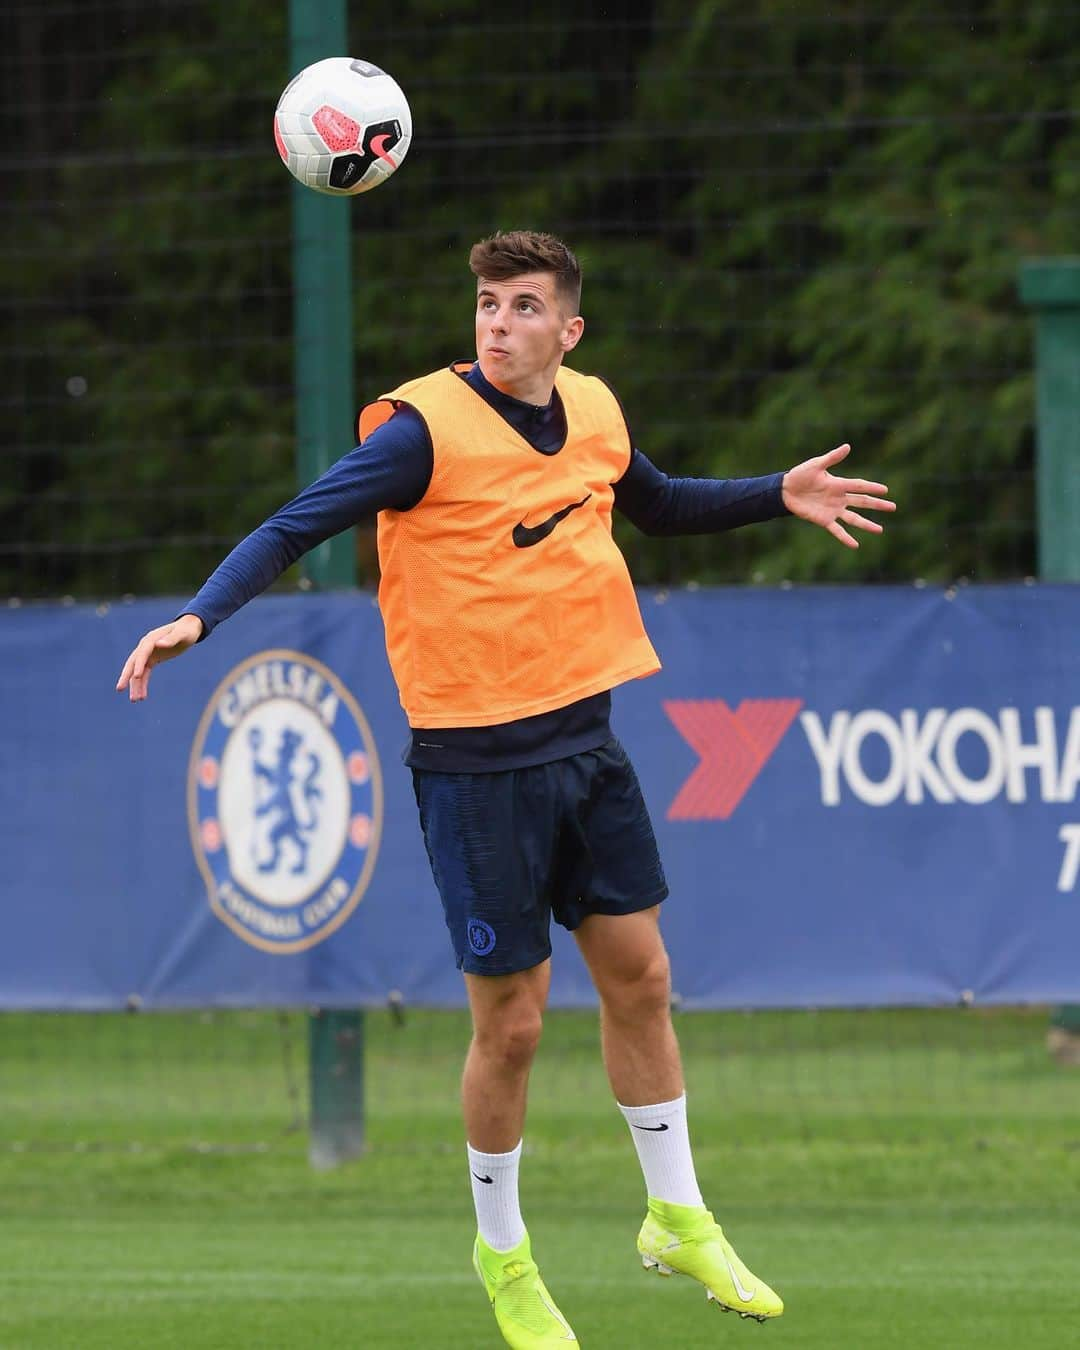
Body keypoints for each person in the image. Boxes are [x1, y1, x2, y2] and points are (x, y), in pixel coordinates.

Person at [117, 230, 895, 1347]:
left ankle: (678, 1215)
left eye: (525, 306)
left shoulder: (593, 408)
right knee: (516, 1026)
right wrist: (198, 612)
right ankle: (507, 1259)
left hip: (589, 744)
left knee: (644, 978)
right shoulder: (422, 432)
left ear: (567, 331)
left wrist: (779, 490)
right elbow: (296, 524)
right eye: (487, 302)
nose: (498, 322)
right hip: (476, 770)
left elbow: (661, 503)